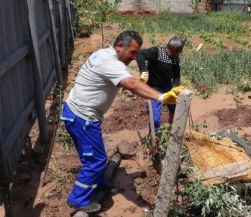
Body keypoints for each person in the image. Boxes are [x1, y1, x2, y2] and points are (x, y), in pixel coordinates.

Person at [60, 30, 182, 213]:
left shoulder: (104, 54)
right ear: (119, 46)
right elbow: (131, 84)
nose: (134, 57)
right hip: (82, 117)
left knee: (98, 156)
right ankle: (78, 199)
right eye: (132, 53)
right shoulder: (110, 62)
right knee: (95, 161)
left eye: (136, 53)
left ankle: (100, 185)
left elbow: (128, 81)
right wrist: (162, 97)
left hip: (81, 114)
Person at [136, 36, 185, 132]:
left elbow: (176, 75)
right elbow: (140, 54)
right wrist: (144, 71)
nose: (181, 53)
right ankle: (154, 138)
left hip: (168, 88)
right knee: (155, 119)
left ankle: (172, 129)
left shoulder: (175, 59)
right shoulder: (156, 52)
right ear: (174, 49)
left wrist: (175, 87)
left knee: (175, 111)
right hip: (153, 89)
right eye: (180, 51)